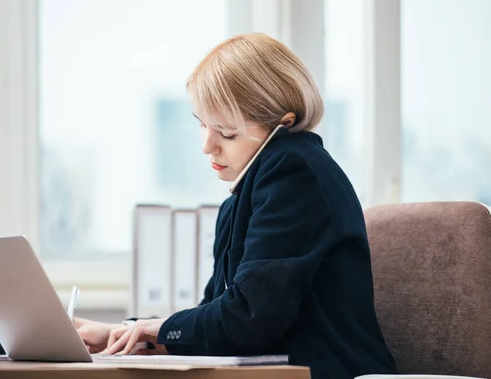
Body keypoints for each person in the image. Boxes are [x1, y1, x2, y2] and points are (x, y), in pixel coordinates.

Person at [73, 33, 398, 379]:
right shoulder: (243, 193)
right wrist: (125, 334)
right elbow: (218, 322)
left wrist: (155, 329)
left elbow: (250, 317)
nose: (207, 146)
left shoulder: (294, 171)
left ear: (283, 124)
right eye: (202, 124)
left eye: (226, 132)